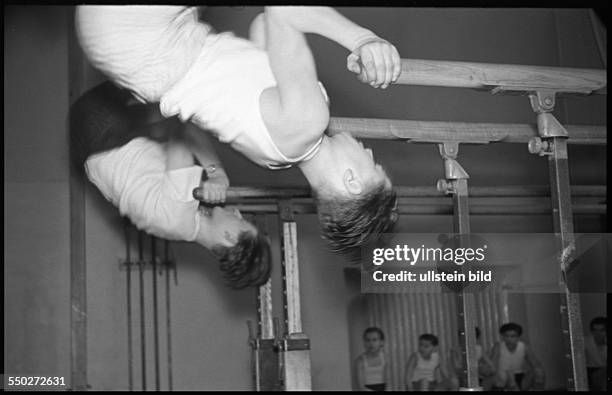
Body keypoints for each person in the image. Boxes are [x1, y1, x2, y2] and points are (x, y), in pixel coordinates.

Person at [74, 6, 401, 256]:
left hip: (144, 41)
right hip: (154, 46)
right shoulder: (279, 156)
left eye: (374, 166)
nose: (370, 153)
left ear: (352, 182)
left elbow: (282, 11)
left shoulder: (309, 120)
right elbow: (265, 27)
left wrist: (361, 39)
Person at [70, 81, 271, 289]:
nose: (238, 213)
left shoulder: (179, 210)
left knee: (177, 86)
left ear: (229, 237)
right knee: (171, 88)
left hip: (101, 129)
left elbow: (181, 129)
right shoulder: (183, 225)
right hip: (97, 142)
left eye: (242, 223)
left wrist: (217, 172)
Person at [490, 322, 545, 391]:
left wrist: (538, 373)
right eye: (506, 336)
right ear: (502, 336)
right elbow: (492, 367)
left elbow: (536, 364)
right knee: (507, 375)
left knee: (539, 371)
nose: (509, 339)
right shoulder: (498, 347)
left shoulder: (524, 347)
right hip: (502, 378)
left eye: (512, 336)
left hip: (519, 376)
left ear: (518, 337)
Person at [355, 327, 388, 391]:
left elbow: (389, 382)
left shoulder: (386, 358)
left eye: (374, 340)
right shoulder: (359, 361)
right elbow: (360, 387)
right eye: (368, 340)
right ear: (364, 342)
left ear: (381, 342)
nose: (371, 343)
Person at [584, 316, 607, 391]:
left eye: (601, 330)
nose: (598, 333)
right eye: (595, 330)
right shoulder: (585, 342)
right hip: (591, 371)